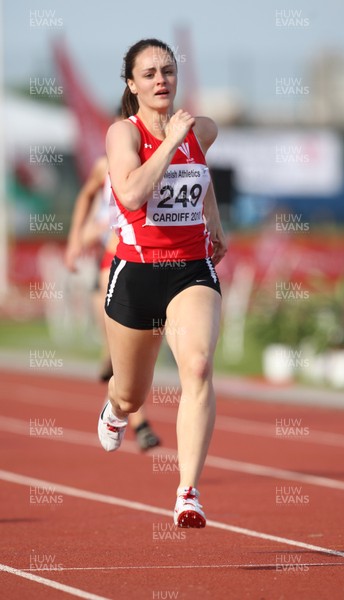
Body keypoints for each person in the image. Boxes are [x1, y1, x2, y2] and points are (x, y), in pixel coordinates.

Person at [98, 38, 227, 528]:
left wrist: (214, 220)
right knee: (132, 394)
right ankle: (114, 409)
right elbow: (130, 194)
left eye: (167, 71)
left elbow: (202, 174)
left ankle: (187, 492)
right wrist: (170, 141)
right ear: (131, 84)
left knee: (196, 366)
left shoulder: (202, 130)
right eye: (149, 73)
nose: (160, 80)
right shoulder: (122, 135)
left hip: (191, 268)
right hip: (137, 271)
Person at [65, 146, 161, 451]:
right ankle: (139, 420)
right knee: (118, 351)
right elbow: (86, 196)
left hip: (151, 262)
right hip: (113, 260)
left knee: (130, 355)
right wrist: (75, 239)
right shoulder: (105, 163)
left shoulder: (160, 161)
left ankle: (137, 419)